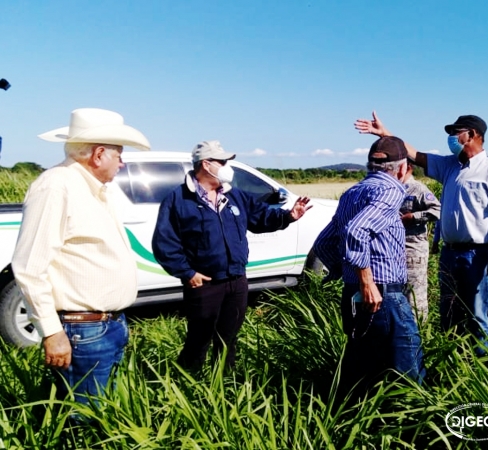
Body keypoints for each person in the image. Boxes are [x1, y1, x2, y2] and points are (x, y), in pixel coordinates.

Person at [12, 108, 150, 403]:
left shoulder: (94, 189)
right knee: (84, 421)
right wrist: (51, 332)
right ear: (99, 154)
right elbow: (29, 268)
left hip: (106, 326)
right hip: (82, 330)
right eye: (119, 155)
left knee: (105, 412)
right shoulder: (56, 187)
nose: (122, 163)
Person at [355, 112, 488, 355]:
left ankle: (481, 366)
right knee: (448, 311)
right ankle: (452, 359)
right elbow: (415, 155)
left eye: (455, 133)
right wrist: (386, 135)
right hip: (450, 253)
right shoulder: (450, 165)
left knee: (478, 312)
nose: (450, 138)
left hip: (478, 253)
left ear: (471, 135)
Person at [151, 140, 311, 372]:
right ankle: (185, 386)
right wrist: (187, 273)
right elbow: (165, 243)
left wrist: (288, 216)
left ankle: (225, 386)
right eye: (222, 161)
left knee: (228, 339)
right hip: (204, 283)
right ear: (206, 164)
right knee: (198, 340)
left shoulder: (235, 196)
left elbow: (260, 218)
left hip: (236, 280)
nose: (228, 166)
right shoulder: (179, 199)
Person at [313, 136, 425, 400]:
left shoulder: (352, 192)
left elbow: (324, 242)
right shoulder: (391, 189)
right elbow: (357, 230)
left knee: (363, 369)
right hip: (382, 296)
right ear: (401, 168)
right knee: (407, 369)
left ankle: (356, 420)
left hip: (355, 294)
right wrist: (366, 280)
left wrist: (345, 272)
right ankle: (411, 427)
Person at [400, 161, 441, 322]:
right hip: (394, 251)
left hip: (413, 250)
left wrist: (414, 217)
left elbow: (437, 210)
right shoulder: (391, 189)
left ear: (408, 167)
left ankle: (420, 334)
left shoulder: (418, 189)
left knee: (415, 296)